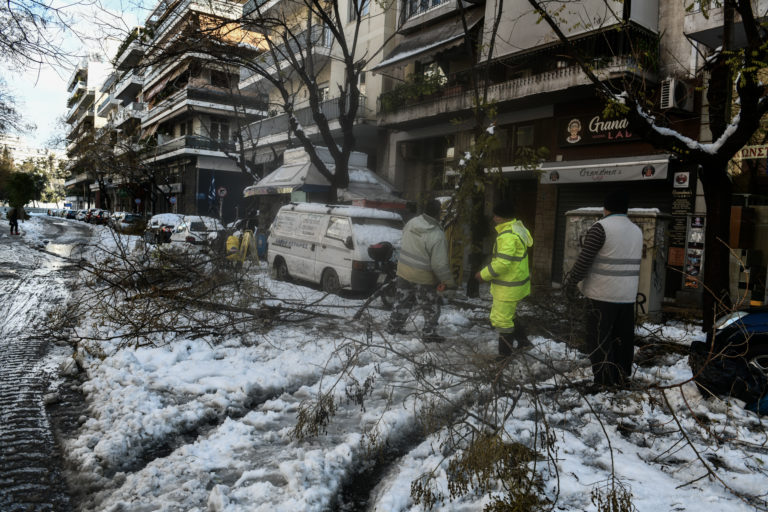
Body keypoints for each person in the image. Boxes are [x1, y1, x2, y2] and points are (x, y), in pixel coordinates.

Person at [563, 190, 642, 388]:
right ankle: (621, 376)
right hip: (627, 297)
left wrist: (571, 282)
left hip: (601, 296)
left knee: (599, 338)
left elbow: (584, 260)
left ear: (606, 208)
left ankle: (604, 381)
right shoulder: (636, 231)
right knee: (622, 339)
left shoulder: (600, 228)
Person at [387, 199, 456, 343]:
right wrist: (449, 282)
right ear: (439, 214)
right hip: (424, 278)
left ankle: (394, 327)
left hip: (404, 272)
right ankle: (429, 333)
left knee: (402, 301)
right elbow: (440, 265)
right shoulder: (437, 234)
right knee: (430, 307)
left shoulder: (411, 223)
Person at [475, 202, 533, 358]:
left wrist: (483, 274)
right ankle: (524, 342)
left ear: (502, 218)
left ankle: (504, 355)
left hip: (508, 287)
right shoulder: (518, 229)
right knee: (509, 315)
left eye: (496, 215)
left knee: (502, 320)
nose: (493, 218)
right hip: (514, 284)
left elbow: (502, 264)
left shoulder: (508, 236)